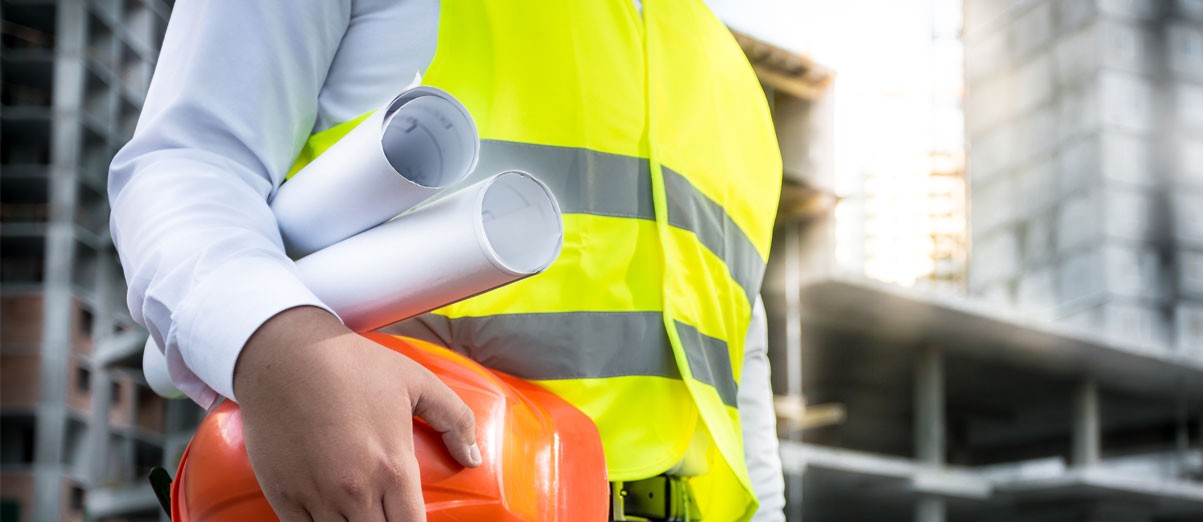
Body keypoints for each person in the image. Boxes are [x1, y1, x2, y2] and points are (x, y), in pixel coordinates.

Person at [108, 1, 786, 521]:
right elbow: (188, 161)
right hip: (400, 500)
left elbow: (733, 353)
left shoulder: (725, 71)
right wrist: (279, 343)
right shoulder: (731, 82)